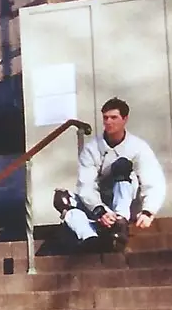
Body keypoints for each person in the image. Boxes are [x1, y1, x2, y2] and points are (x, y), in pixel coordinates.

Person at [54, 97, 165, 251]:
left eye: (114, 118)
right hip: (100, 207)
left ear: (125, 119)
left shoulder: (138, 147)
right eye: (105, 118)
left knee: (122, 165)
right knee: (63, 199)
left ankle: (120, 222)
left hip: (125, 203)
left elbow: (153, 180)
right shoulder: (92, 148)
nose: (108, 122)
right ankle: (90, 238)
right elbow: (85, 185)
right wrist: (100, 210)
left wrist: (148, 211)